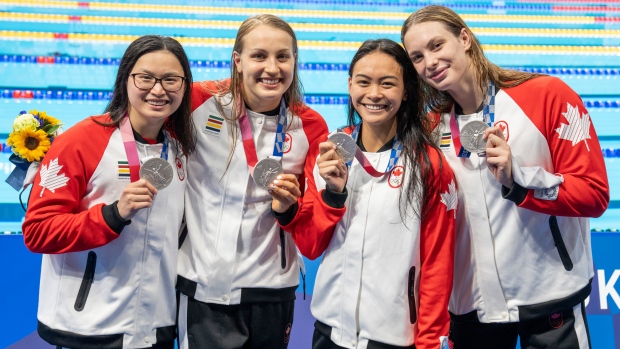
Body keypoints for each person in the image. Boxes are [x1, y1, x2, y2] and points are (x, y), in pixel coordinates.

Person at [401, 5, 610, 349]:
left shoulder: (546, 96)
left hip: (549, 299)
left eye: (437, 46)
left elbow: (595, 193)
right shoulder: (428, 129)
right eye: (418, 57)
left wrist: (520, 178)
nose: (430, 62)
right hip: (471, 309)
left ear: (464, 38)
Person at [278, 39, 456, 349]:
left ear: (406, 91)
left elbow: (437, 265)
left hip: (392, 337)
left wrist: (431, 342)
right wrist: (333, 195)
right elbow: (310, 246)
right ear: (349, 86)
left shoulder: (430, 166)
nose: (373, 94)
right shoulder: (329, 152)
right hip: (329, 331)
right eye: (363, 82)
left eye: (387, 84)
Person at [21, 35, 195, 349]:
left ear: (185, 85)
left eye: (171, 79)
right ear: (125, 78)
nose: (158, 90)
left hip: (154, 326)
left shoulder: (180, 150)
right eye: (145, 78)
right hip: (87, 326)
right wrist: (112, 215)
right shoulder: (81, 141)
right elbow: (37, 232)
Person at [177, 14, 328, 349]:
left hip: (273, 287)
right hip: (205, 285)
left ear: (294, 61)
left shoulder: (310, 125)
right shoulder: (198, 102)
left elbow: (314, 215)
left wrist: (290, 208)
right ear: (238, 61)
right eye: (259, 56)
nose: (272, 68)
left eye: (282, 57)